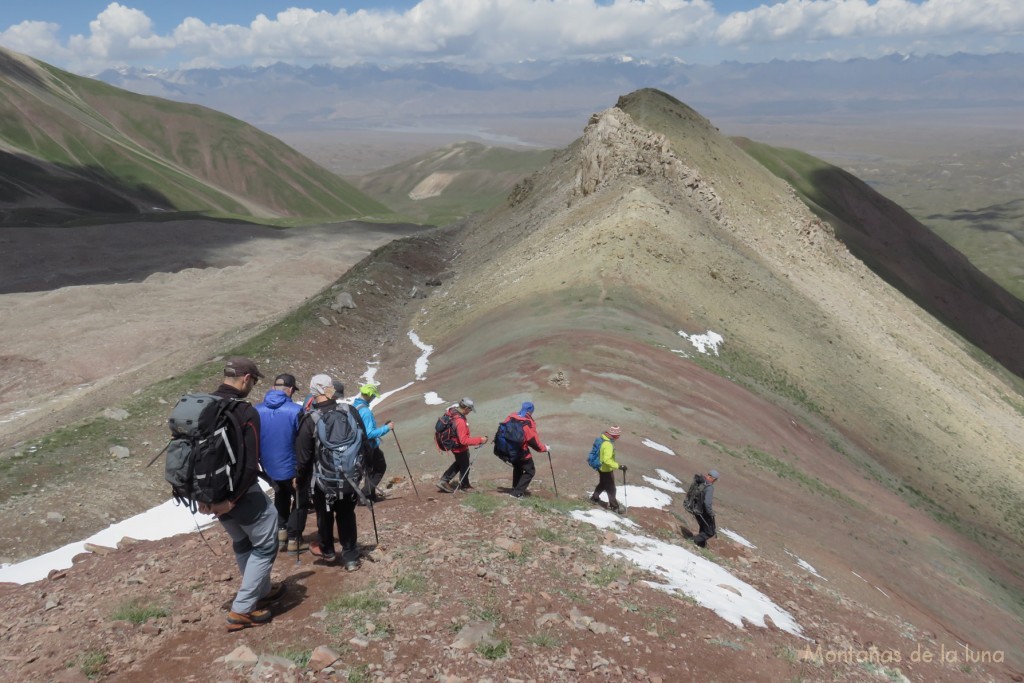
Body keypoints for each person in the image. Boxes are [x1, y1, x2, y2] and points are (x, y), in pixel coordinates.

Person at [198, 357, 286, 631]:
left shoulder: (202, 406)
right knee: (266, 544)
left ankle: (260, 591)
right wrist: (231, 501)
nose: (254, 385)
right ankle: (243, 608)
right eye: (255, 380)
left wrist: (207, 499)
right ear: (246, 378)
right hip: (238, 495)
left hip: (208, 493)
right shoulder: (244, 411)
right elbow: (250, 463)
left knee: (244, 543)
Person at [295, 374, 363, 571]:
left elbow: (304, 456)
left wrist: (300, 480)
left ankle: (328, 551)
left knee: (324, 515)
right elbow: (363, 441)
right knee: (346, 514)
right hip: (349, 476)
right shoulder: (349, 411)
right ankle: (350, 557)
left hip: (322, 480)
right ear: (327, 389)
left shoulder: (310, 419)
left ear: (313, 391)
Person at [256, 373, 302, 551]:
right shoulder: (296, 410)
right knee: (300, 500)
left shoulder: (257, 410)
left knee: (281, 496)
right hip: (292, 467)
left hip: (268, 468)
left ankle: (281, 534)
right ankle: (293, 539)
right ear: (290, 390)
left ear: (273, 388)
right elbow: (302, 440)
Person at [436, 398, 488, 492]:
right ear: (466, 408)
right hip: (458, 447)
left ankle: (444, 480)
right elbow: (464, 441)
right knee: (465, 465)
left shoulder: (453, 411)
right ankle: (465, 486)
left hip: (453, 444)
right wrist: (480, 440)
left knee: (461, 462)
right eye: (470, 409)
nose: (470, 411)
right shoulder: (460, 421)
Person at [353, 383, 393, 503]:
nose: (374, 398)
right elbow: (369, 433)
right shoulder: (365, 411)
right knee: (380, 468)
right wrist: (387, 428)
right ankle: (364, 495)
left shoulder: (354, 406)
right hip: (369, 446)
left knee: (370, 470)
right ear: (369, 395)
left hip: (359, 446)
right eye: (373, 396)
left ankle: (370, 495)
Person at [503, 401, 551, 499]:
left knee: (518, 468)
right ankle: (517, 493)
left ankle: (515, 488)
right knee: (530, 471)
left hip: (509, 449)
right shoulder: (526, 423)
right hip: (521, 452)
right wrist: (544, 448)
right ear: (530, 411)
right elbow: (532, 441)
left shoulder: (511, 417)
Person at [590, 425, 626, 513]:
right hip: (606, 469)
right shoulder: (608, 444)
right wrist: (619, 466)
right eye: (618, 435)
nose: (618, 437)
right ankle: (615, 507)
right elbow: (607, 459)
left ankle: (594, 498)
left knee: (603, 484)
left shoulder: (603, 439)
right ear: (615, 435)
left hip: (601, 467)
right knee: (611, 488)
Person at [691, 470, 720, 548]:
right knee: (710, 532)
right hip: (702, 511)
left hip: (694, 508)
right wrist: (711, 513)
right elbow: (707, 503)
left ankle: (700, 545)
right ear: (713, 479)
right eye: (715, 480)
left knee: (704, 527)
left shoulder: (700, 481)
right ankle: (694, 540)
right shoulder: (709, 487)